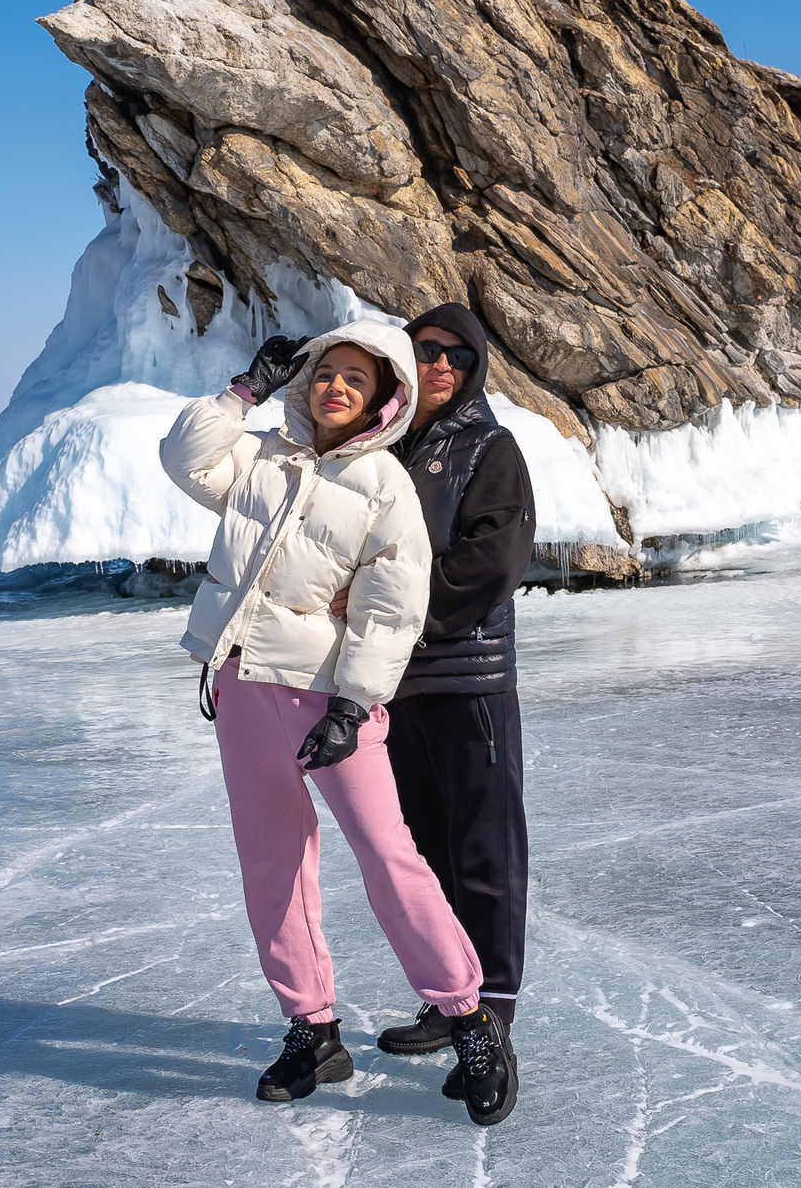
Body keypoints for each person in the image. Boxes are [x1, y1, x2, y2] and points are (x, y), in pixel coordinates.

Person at [159, 322, 513, 1121]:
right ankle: (311, 1029)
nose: (336, 387)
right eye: (326, 372)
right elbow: (185, 459)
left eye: (356, 378)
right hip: (243, 684)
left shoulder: (386, 486)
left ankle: (470, 1018)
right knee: (272, 865)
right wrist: (241, 393)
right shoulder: (263, 457)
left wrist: (353, 704)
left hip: (326, 699)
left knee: (389, 855)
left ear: (384, 397)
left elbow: (392, 606)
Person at [365, 302, 536, 1124]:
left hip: (469, 682)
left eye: (458, 357)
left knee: (485, 853)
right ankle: (450, 998)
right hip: (396, 686)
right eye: (428, 350)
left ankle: (490, 1015)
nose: (441, 366)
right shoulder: (380, 448)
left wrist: (397, 612)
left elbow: (493, 560)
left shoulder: (490, 448)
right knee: (425, 853)